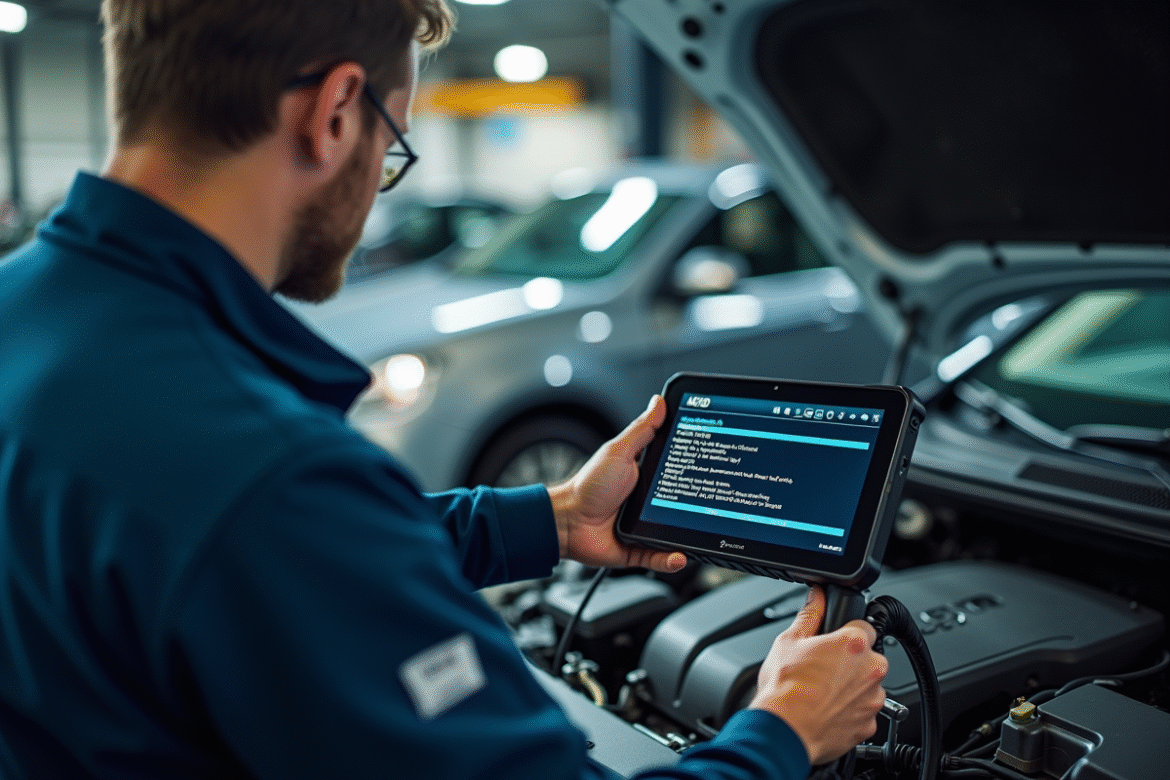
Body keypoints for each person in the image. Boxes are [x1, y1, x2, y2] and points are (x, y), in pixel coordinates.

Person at [0, 1, 888, 778]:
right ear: (336, 111)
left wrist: (552, 518)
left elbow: (232, 550)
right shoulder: (265, 469)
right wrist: (781, 730)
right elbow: (277, 529)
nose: (383, 175)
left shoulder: (22, 308)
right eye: (396, 146)